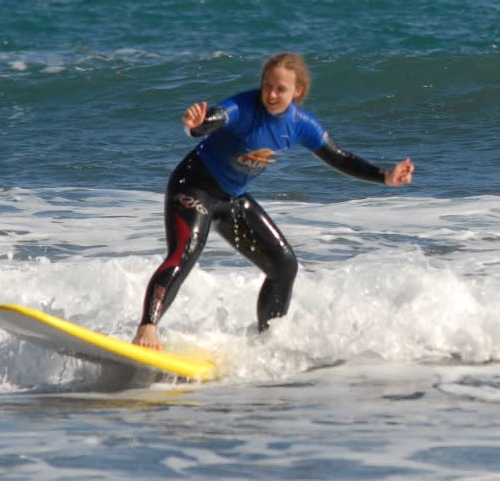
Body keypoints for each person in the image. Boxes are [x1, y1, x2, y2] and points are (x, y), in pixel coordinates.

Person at [133, 52, 414, 350]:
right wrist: (196, 125)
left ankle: (266, 344)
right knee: (185, 252)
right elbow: (214, 118)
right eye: (267, 85)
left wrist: (385, 176)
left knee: (284, 265)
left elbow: (340, 158)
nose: (271, 94)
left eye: (281, 89)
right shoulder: (244, 107)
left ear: (298, 92)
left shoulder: (301, 125)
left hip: (232, 199)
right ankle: (147, 328)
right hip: (194, 186)